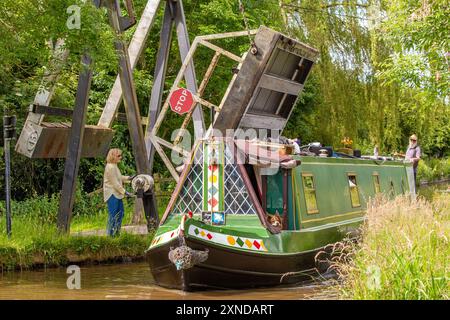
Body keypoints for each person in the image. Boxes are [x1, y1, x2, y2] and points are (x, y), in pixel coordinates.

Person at [103, 148, 133, 237]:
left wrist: (129, 178)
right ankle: (110, 236)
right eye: (119, 156)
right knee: (113, 215)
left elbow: (119, 177)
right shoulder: (110, 167)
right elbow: (115, 183)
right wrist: (125, 192)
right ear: (113, 156)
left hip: (117, 194)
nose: (121, 157)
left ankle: (116, 233)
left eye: (121, 155)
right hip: (112, 194)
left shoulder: (114, 165)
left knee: (120, 214)